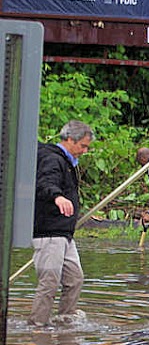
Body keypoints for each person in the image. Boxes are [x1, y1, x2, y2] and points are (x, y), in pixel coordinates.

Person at [31, 120, 94, 329]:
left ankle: (64, 320)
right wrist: (58, 197)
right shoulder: (52, 160)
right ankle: (37, 325)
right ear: (69, 140)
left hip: (64, 233)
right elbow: (45, 183)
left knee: (75, 279)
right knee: (49, 281)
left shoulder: (66, 162)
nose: (84, 151)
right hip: (49, 232)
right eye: (82, 146)